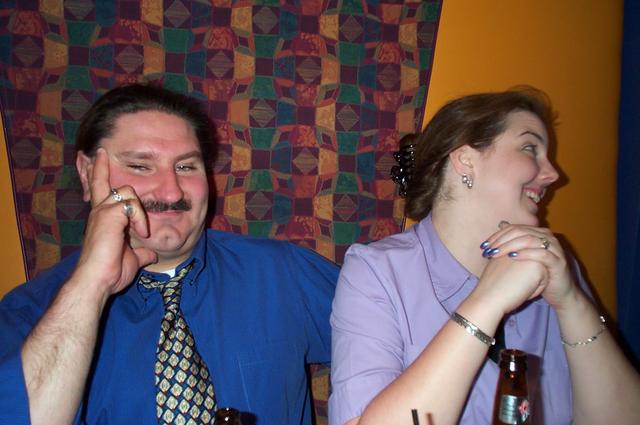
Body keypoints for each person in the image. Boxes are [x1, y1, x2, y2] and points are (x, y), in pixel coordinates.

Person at [0, 84, 339, 425]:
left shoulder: (281, 274)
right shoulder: (30, 314)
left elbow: (378, 334)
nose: (171, 191)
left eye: (186, 167)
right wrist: (91, 285)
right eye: (140, 166)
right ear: (88, 175)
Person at [329, 87, 640, 425]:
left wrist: (572, 301)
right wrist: (486, 302)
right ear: (466, 160)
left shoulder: (555, 267)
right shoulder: (377, 272)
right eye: (530, 148)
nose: (553, 174)